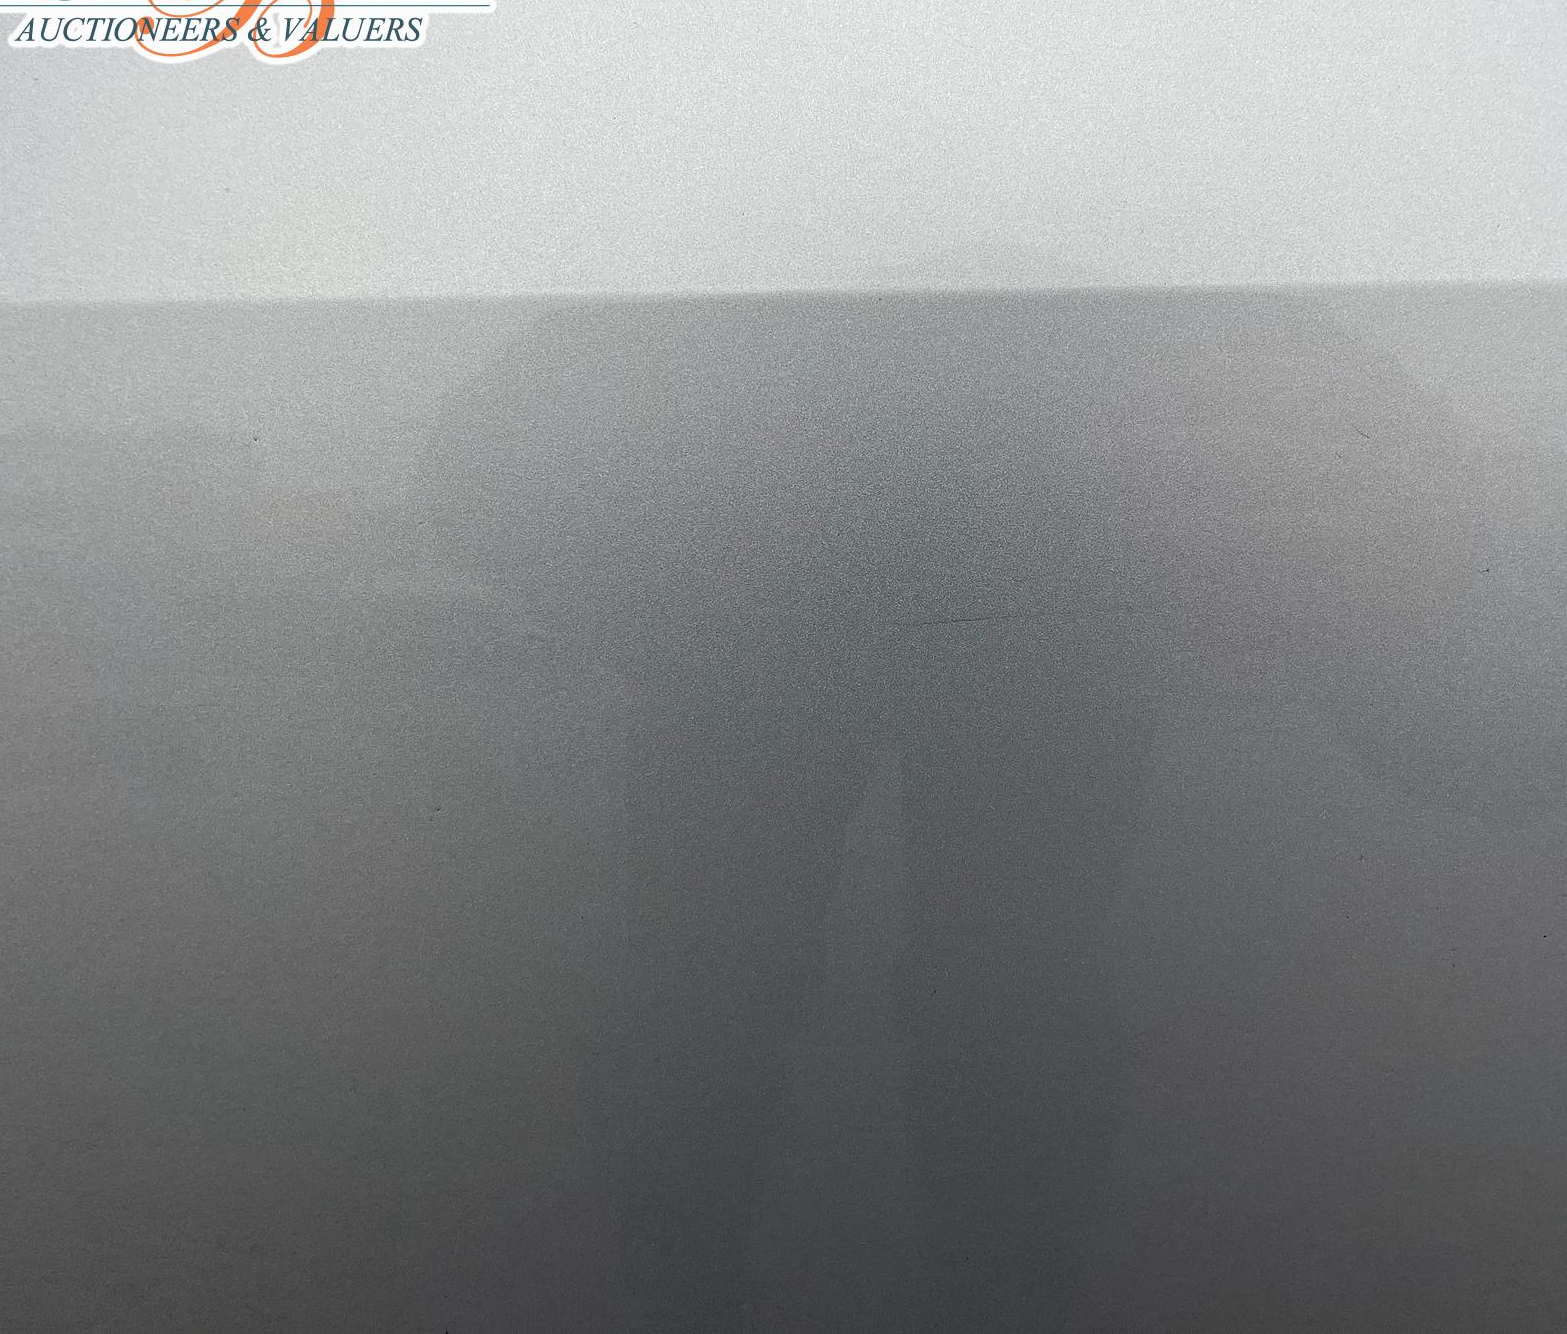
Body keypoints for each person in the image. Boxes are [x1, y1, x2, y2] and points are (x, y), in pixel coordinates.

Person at [410, 282, 1489, 1330]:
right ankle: (927, 1286)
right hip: (922, 629)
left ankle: (717, 1281)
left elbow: (484, 453)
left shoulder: (747, 268)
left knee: (790, 992)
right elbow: (488, 452)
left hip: (876, 628)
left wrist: (643, 611)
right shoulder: (1101, 265)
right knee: (846, 993)